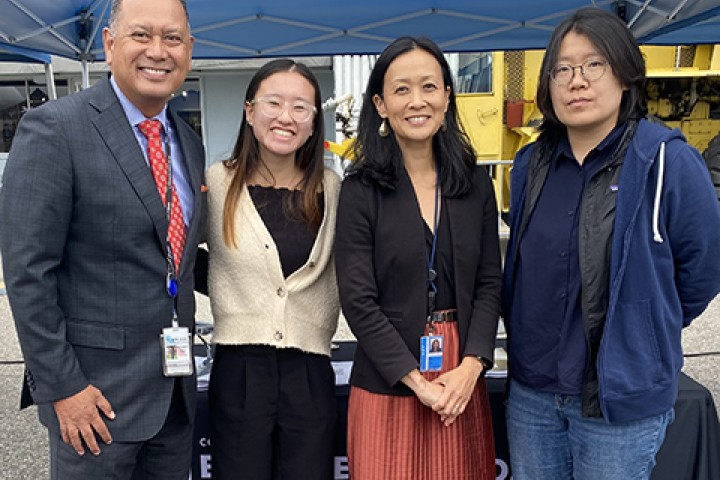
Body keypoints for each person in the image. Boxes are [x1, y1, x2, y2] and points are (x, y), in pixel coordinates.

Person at [502, 8, 720, 480]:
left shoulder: (667, 161)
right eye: (562, 69)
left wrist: (642, 327)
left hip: (618, 404)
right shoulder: (529, 166)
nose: (576, 81)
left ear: (625, 74)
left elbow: (702, 268)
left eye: (594, 64)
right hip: (533, 395)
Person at [0, 0, 205, 478]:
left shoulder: (186, 141)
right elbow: (28, 272)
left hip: (173, 401)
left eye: (172, 38)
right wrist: (62, 388)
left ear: (189, 51)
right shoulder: (55, 128)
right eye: (141, 35)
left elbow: (176, 257)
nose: (158, 50)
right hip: (94, 404)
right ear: (110, 46)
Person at [335, 36, 501, 479]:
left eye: (429, 87)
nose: (417, 101)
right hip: (389, 376)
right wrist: (416, 383)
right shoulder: (360, 189)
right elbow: (358, 301)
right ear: (381, 104)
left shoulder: (475, 184)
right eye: (401, 89)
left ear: (447, 96)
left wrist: (471, 367)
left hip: (459, 380)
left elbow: (489, 284)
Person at [205, 58, 341, 479]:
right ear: (249, 111)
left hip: (309, 369)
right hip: (239, 369)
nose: (286, 117)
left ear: (314, 119)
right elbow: (179, 255)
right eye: (274, 103)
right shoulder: (217, 184)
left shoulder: (333, 189)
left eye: (301, 107)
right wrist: (228, 292)